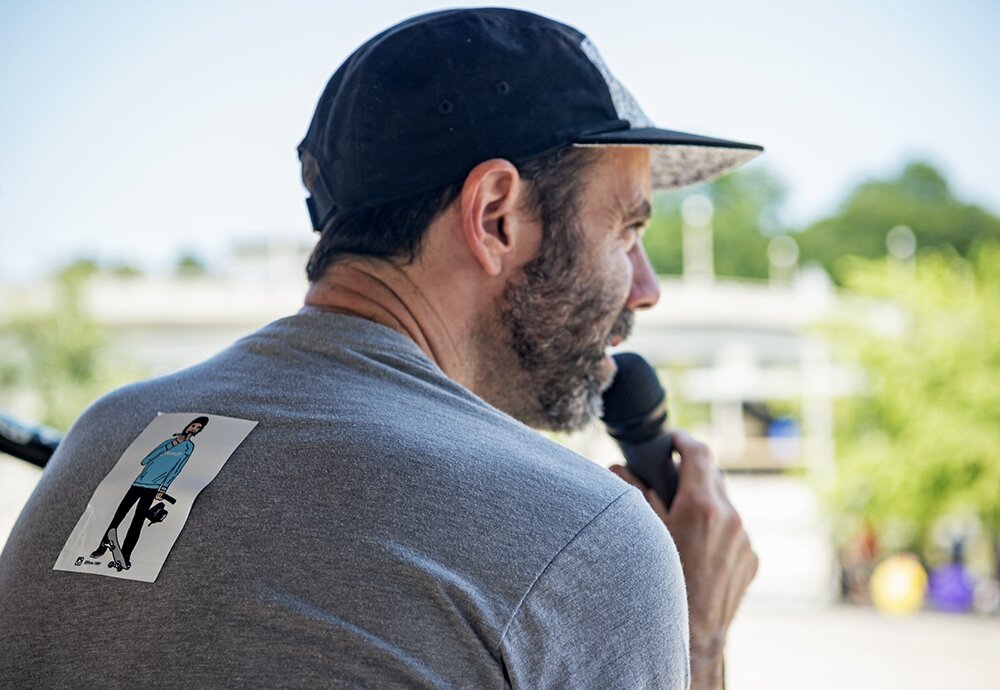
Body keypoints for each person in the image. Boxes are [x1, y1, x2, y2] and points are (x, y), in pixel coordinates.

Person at [0, 8, 760, 688]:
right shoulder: (583, 541)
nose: (645, 288)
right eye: (627, 230)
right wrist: (697, 638)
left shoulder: (107, 438)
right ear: (496, 217)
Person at [88, 416, 207, 568]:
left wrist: (163, 488)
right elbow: (146, 460)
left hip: (153, 488)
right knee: (119, 515)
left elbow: (177, 469)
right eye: (193, 425)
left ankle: (126, 555)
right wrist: (172, 444)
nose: (194, 429)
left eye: (198, 428)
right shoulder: (169, 442)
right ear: (188, 426)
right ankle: (102, 546)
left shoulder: (189, 448)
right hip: (138, 483)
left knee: (138, 521)